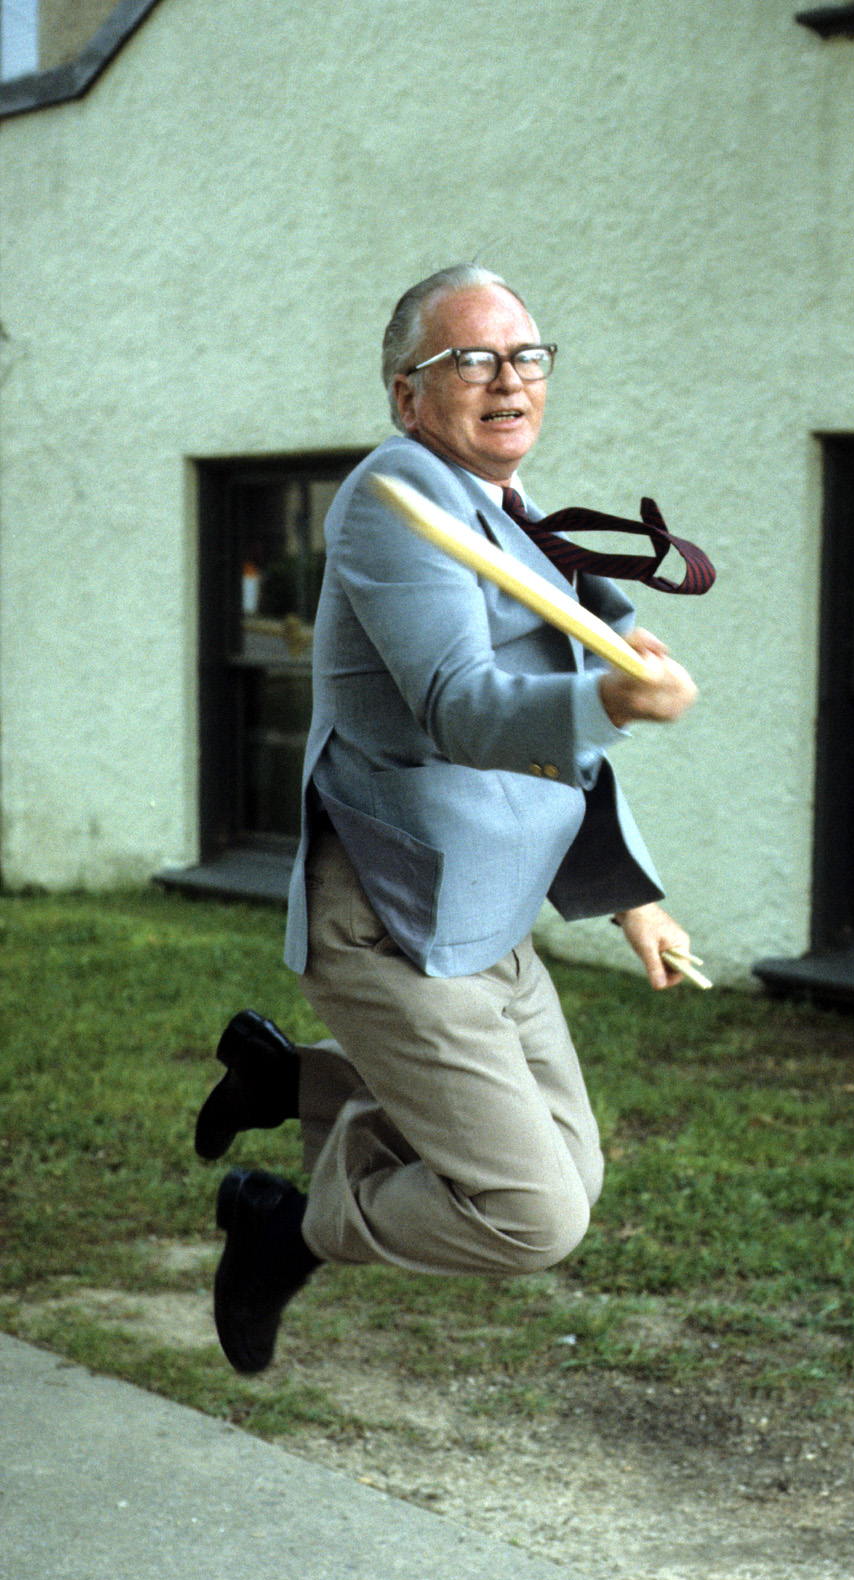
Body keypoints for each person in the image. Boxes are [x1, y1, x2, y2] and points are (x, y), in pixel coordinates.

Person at [197, 264, 704, 1376]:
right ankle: (286, 1228)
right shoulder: (400, 502)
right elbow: (461, 707)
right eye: (472, 358)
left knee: (574, 1172)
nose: (508, 379)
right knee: (532, 1214)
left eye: (526, 356)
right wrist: (618, 700)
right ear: (408, 393)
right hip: (397, 920)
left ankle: (293, 1082)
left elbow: (553, 744)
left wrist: (633, 899)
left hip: (487, 916)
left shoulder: (507, 512)